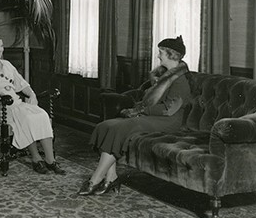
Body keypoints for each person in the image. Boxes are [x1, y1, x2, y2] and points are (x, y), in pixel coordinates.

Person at [82, 36, 192, 196]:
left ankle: (96, 178)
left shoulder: (180, 81)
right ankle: (111, 176)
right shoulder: (165, 76)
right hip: (155, 118)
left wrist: (142, 111)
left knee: (120, 128)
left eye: (160, 52)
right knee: (105, 126)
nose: (158, 56)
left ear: (171, 55)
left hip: (168, 121)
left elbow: (169, 110)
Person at [0, 30, 65, 175]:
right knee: (27, 118)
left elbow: (21, 83)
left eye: (1, 46)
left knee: (42, 115)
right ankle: (36, 158)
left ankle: (50, 160)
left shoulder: (7, 64)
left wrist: (31, 94)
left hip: (17, 105)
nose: (1, 49)